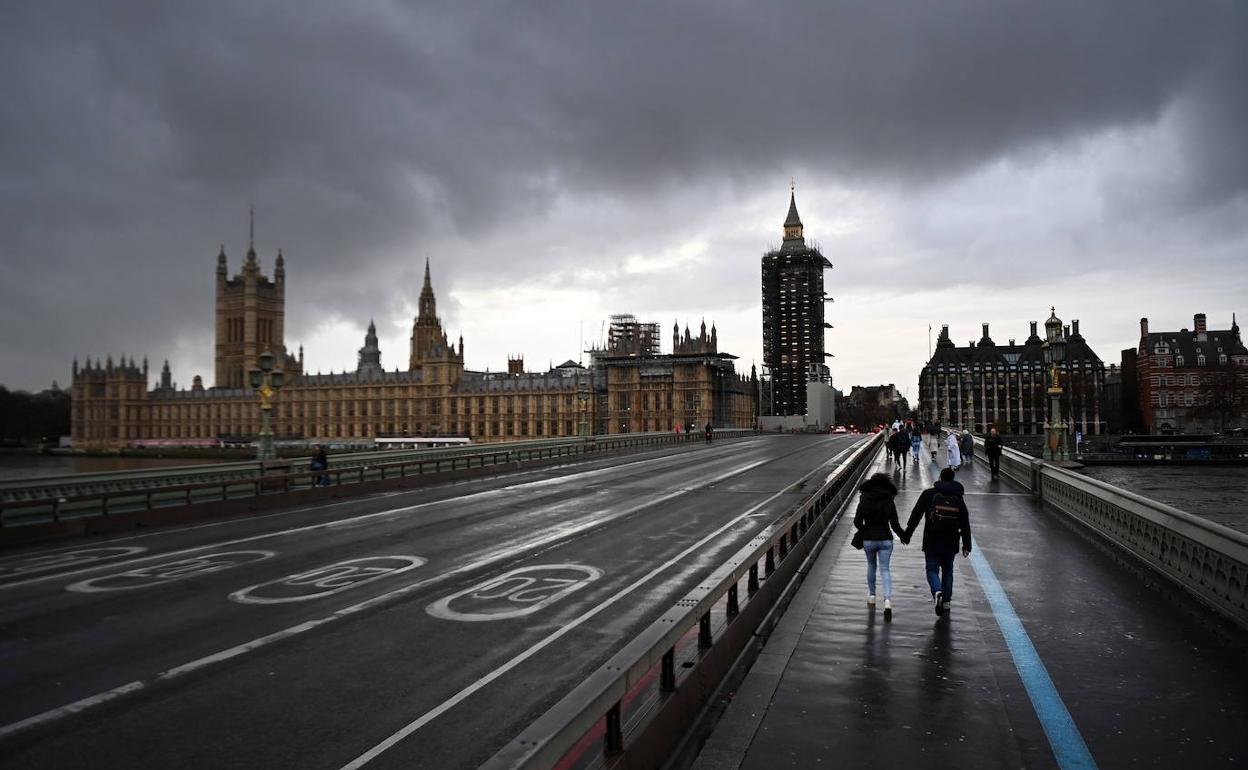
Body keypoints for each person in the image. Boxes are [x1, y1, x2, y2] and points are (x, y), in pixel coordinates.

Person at [904, 467, 972, 616]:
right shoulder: (958, 498)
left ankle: (937, 591)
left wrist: (907, 534)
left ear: (940, 478)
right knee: (948, 571)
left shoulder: (928, 494)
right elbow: (965, 523)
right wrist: (967, 545)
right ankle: (946, 602)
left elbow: (916, 514)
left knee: (932, 569)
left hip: (931, 540)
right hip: (951, 540)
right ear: (953, 479)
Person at [852, 472, 906, 620]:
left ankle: (871, 596)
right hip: (886, 539)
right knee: (885, 569)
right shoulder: (889, 499)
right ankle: (887, 600)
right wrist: (904, 536)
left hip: (869, 539)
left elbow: (857, 521)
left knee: (871, 566)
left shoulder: (864, 498)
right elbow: (894, 524)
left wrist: (864, 530)